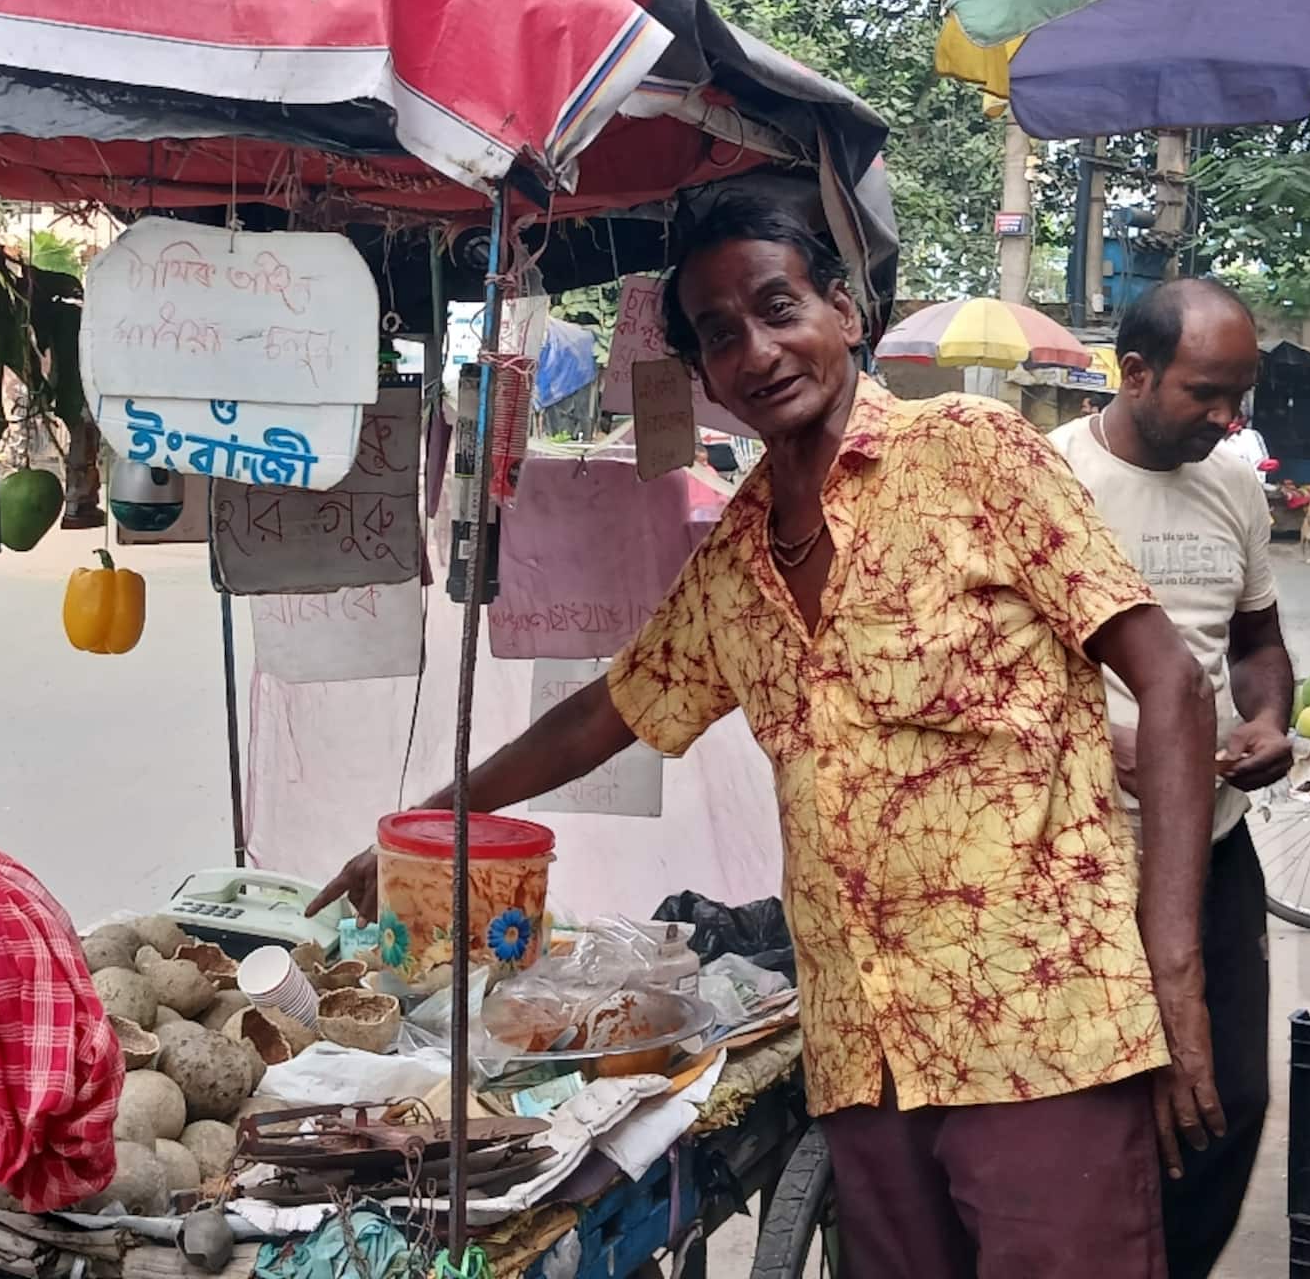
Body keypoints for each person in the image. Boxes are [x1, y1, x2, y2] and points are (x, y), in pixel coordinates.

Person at [312, 196, 1223, 1279]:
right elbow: (611, 710)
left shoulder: (971, 454)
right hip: (863, 1054)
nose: (755, 350)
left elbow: (1170, 687)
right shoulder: (736, 558)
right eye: (718, 334)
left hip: (1044, 1033)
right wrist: (434, 820)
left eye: (776, 307)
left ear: (842, 310)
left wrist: (1173, 971)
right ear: (700, 375)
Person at [1050, 280, 1291, 1279]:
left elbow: (1256, 640)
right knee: (1100, 1101)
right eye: (1204, 392)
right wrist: (1102, 747)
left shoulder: (1233, 480)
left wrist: (1266, 716)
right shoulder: (1047, 476)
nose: (1225, 418)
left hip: (1211, 839)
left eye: (1238, 393)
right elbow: (989, 672)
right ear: (1134, 372)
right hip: (1073, 850)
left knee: (1227, 1096)